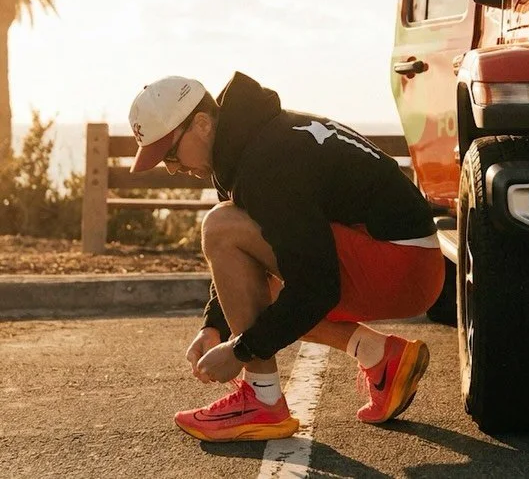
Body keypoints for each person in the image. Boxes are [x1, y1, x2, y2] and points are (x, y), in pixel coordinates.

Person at [128, 72, 445, 442]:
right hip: (408, 260)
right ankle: (380, 356)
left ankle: (260, 400)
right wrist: (214, 325)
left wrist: (241, 350)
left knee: (221, 227)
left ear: (201, 123)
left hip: (402, 264)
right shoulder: (248, 141)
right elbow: (252, 264)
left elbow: (317, 286)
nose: (172, 168)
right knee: (254, 270)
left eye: (169, 153)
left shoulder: (266, 162)